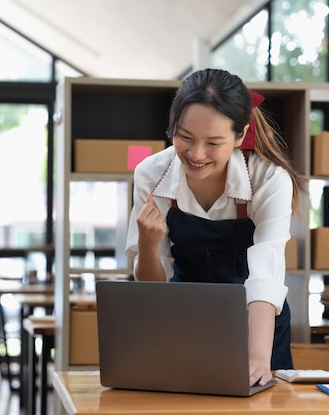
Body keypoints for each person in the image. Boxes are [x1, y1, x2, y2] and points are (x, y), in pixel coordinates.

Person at [124, 68, 306, 387]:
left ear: (239, 136)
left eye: (213, 143)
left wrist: (257, 361)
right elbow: (154, 287)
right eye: (185, 138)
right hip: (181, 322)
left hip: (256, 325)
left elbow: (265, 274)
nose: (196, 155)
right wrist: (148, 245)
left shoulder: (268, 179)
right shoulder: (151, 174)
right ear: (171, 128)